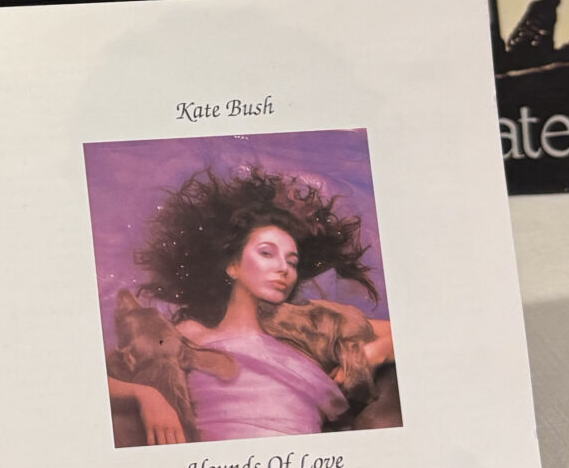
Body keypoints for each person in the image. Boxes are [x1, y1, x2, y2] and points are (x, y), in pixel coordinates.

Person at [127, 164, 395, 440]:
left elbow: (411, 335)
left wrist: (374, 355)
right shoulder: (188, 333)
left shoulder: (311, 332)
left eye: (292, 261)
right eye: (267, 253)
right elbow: (97, 376)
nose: (284, 269)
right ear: (233, 266)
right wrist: (146, 396)